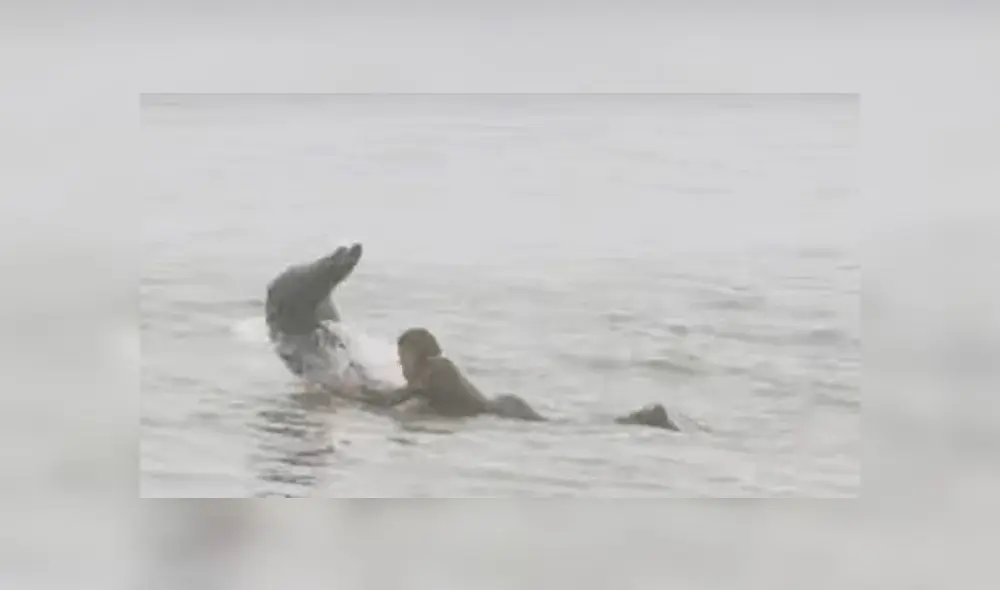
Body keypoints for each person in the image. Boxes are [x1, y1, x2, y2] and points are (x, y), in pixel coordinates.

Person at [362, 327, 677, 430]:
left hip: (503, 412)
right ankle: (639, 419)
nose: (400, 364)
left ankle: (644, 419)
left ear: (417, 354)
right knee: (561, 426)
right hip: (502, 406)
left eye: (403, 357)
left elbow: (395, 399)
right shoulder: (437, 370)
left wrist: (354, 399)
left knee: (564, 429)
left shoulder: (435, 371)